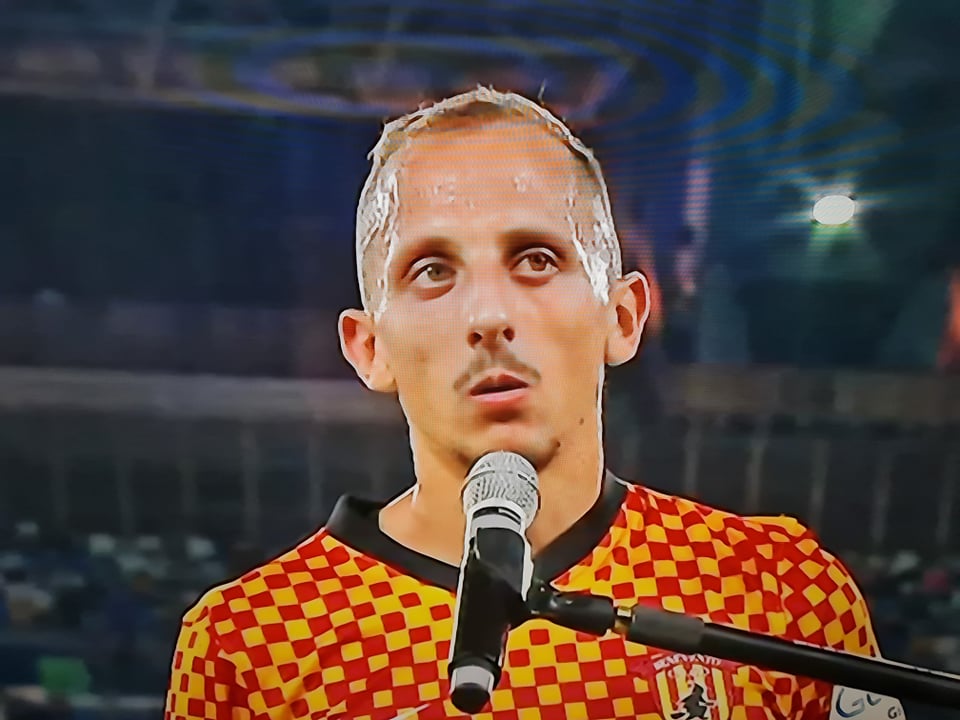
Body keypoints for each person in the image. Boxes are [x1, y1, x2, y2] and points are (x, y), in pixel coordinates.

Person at [165, 87, 904, 719]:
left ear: (623, 317)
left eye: (536, 259)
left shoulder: (779, 588)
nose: (489, 315)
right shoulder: (248, 643)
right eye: (432, 270)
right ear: (370, 348)